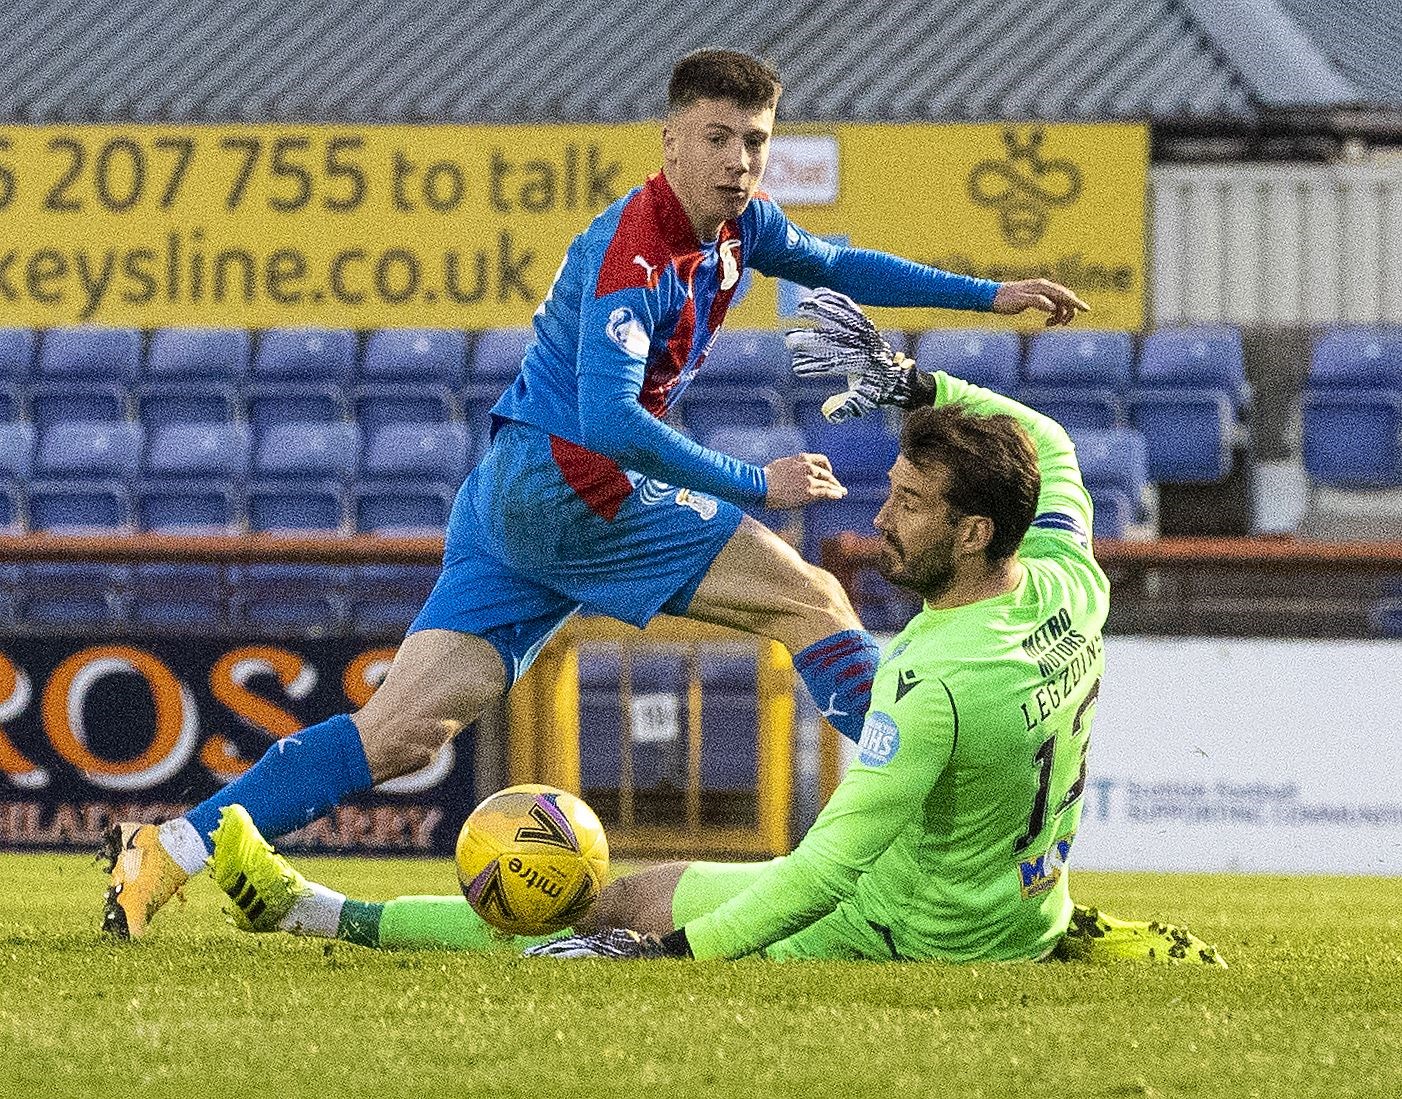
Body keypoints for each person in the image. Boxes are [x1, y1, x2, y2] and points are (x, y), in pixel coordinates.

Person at [101, 48, 1089, 939]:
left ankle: (165, 854)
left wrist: (989, 293)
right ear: (669, 140)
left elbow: (834, 264)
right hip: (575, 489)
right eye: (716, 138)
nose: (737, 160)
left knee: (400, 733)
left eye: (753, 141)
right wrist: (760, 482)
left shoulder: (741, 227)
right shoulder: (636, 252)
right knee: (812, 600)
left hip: (512, 499)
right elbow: (610, 424)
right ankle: (926, 805)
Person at [204, 295, 1225, 967]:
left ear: (969, 530)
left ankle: (311, 910)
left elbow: (818, 876)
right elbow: (1043, 440)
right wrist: (916, 386)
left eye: (908, 504)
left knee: (609, 902)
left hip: (913, 931)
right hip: (1019, 909)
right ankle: (1061, 932)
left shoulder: (930, 678)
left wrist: (666, 954)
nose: (877, 517)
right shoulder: (1065, 577)